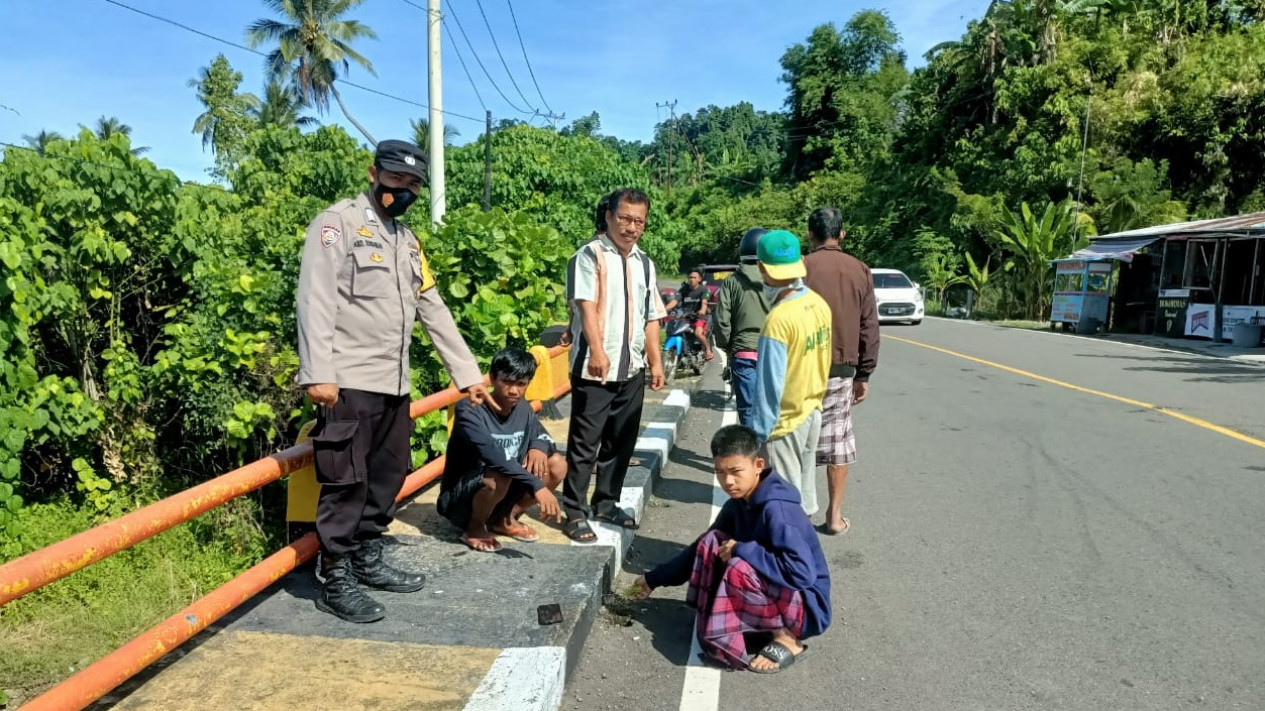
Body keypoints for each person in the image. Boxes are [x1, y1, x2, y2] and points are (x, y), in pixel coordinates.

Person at [296, 139, 497, 623]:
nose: (403, 190)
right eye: (395, 179)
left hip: (394, 382)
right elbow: (315, 297)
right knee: (347, 481)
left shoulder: (407, 241)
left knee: (387, 476)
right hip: (347, 381)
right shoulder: (337, 224)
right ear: (373, 173)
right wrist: (318, 372)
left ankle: (366, 556)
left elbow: (432, 307)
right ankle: (335, 573)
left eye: (412, 184)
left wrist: (466, 374)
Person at [631, 425, 831, 674]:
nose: (728, 481)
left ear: (759, 465)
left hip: (808, 607)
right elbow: (699, 547)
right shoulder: (739, 502)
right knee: (712, 541)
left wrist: (744, 550)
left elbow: (802, 574)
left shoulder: (778, 511)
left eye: (736, 471)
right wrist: (653, 579)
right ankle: (757, 626)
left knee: (739, 565)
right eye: (720, 472)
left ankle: (788, 638)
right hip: (778, 591)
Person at [562, 187, 667, 542]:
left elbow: (651, 317)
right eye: (624, 218)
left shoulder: (645, 263)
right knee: (584, 443)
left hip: (632, 367)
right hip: (595, 368)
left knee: (621, 441)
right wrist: (596, 351)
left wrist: (656, 362)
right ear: (609, 216)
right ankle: (574, 511)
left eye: (639, 220)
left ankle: (606, 502)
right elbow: (586, 306)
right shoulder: (589, 256)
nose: (631, 227)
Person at [438, 347, 566, 552]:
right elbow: (493, 456)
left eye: (521, 384)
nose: (513, 390)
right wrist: (537, 485)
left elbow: (543, 436)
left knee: (557, 464)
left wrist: (538, 447)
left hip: (503, 492)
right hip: (463, 498)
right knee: (498, 472)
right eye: (506, 381)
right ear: (492, 378)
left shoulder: (522, 408)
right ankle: (475, 528)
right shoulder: (470, 409)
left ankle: (506, 518)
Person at [803, 207, 879, 536]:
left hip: (801, 369)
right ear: (842, 234)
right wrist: (864, 374)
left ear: (810, 234)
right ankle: (834, 518)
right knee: (837, 440)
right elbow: (869, 328)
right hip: (841, 369)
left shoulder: (800, 267)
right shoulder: (859, 270)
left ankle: (795, 519)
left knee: (797, 441)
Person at [750, 230, 831, 517]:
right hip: (812, 412)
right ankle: (806, 549)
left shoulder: (779, 320)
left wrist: (759, 437)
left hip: (784, 425)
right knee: (804, 497)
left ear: (761, 267)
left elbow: (768, 388)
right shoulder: (818, 303)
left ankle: (790, 559)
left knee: (783, 505)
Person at [713, 228, 772, 427]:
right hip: (774, 354)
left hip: (744, 354)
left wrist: (727, 347)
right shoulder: (777, 280)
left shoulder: (731, 282)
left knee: (747, 411)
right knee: (773, 410)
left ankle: (752, 454)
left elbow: (722, 321)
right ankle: (770, 454)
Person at [560, 194, 612, 348]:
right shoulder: (586, 255)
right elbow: (578, 304)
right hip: (592, 349)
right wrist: (571, 330)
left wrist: (569, 329)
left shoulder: (629, 256)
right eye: (624, 217)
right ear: (610, 217)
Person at [664, 269, 715, 362]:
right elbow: (675, 301)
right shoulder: (684, 289)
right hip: (685, 317)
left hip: (698, 317)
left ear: (699, 279)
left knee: (698, 333)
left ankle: (708, 350)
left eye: (694, 278)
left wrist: (702, 311)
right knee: (672, 330)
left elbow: (704, 302)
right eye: (690, 277)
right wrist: (664, 309)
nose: (692, 279)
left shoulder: (703, 290)